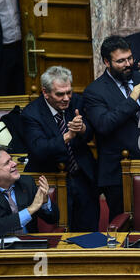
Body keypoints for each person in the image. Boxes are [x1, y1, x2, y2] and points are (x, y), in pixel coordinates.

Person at [83, 35, 140, 223]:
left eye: (129, 58)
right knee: (125, 223)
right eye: (121, 61)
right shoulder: (94, 91)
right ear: (107, 62)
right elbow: (104, 125)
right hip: (118, 171)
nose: (128, 64)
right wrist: (132, 99)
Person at [22, 66, 99, 232]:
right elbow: (39, 149)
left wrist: (83, 128)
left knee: (88, 226)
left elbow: (91, 133)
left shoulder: (77, 102)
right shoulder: (31, 114)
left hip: (82, 176)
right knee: (62, 229)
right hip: (53, 180)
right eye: (60, 94)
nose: (66, 98)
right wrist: (68, 136)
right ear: (45, 92)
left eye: (69, 92)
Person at [0, 146, 59, 238]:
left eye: (11, 160)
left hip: (30, 245)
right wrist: (31, 209)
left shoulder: (27, 183)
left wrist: (45, 202)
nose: (14, 164)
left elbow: (53, 219)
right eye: (7, 163)